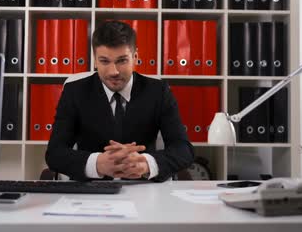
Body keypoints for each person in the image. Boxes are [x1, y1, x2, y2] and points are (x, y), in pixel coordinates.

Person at [45, 20, 194, 181]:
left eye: (122, 60)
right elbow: (54, 153)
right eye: (104, 61)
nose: (113, 71)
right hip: (91, 191)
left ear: (135, 57)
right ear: (95, 60)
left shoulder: (158, 91)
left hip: (143, 187)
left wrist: (146, 164)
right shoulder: (75, 91)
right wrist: (96, 164)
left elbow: (184, 150)